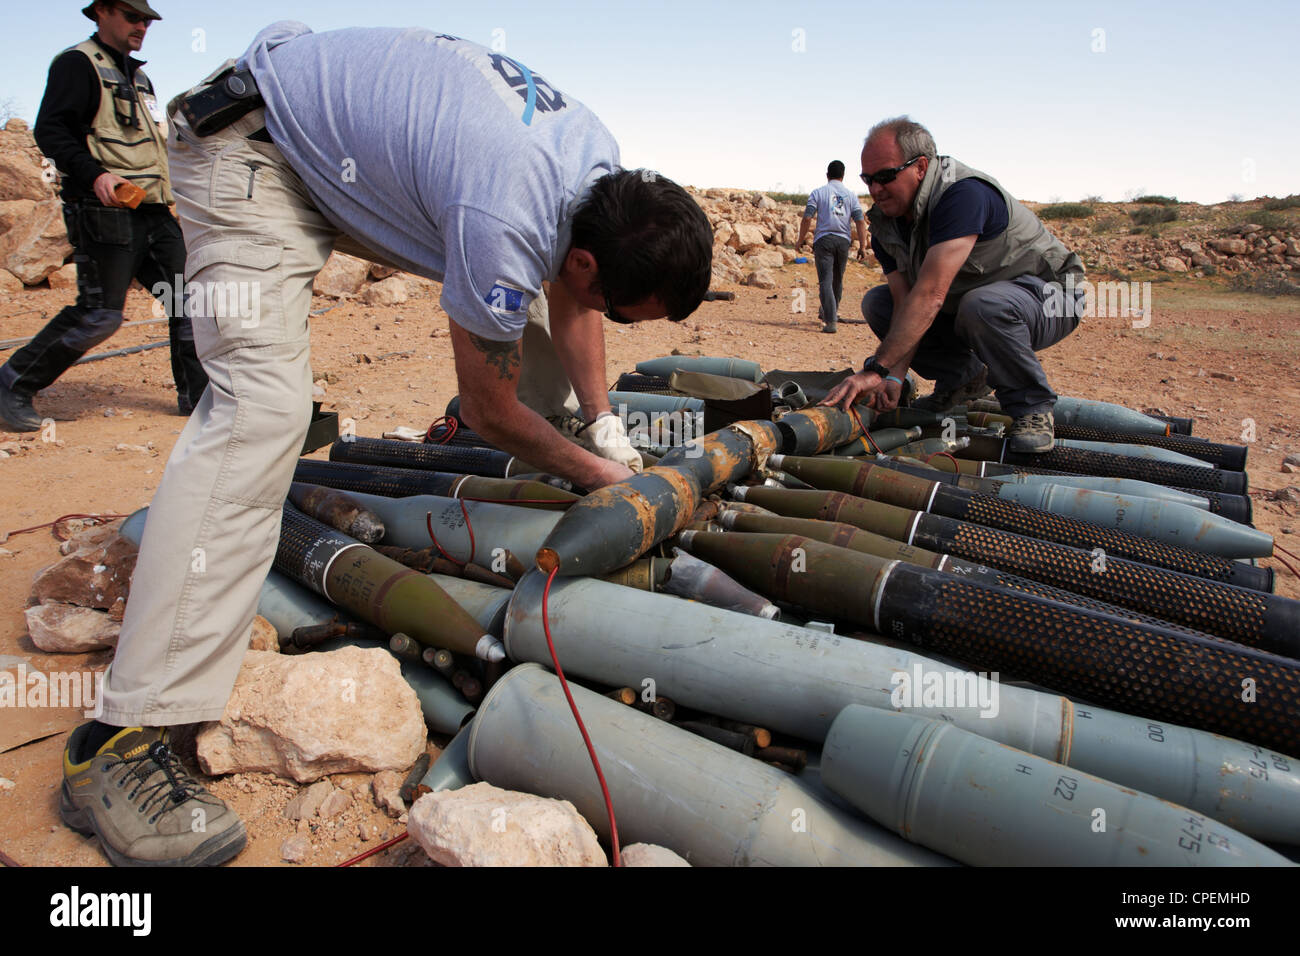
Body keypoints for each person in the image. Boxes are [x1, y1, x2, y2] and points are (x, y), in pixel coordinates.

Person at [56, 22, 712, 867]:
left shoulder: (599, 171)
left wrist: (605, 423)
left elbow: (577, 306)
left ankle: (521, 474)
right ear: (586, 257)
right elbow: (490, 404)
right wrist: (597, 475)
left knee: (537, 340)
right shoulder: (503, 213)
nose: (613, 322)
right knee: (261, 415)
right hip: (253, 154)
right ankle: (119, 738)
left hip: (336, 151)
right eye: (628, 312)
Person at [0, 0, 207, 433]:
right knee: (101, 314)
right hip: (103, 211)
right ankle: (11, 384)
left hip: (151, 209)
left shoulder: (139, 75)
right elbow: (51, 130)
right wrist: (95, 175)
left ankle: (198, 399)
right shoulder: (78, 65)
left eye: (147, 20)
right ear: (103, 12)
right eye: (133, 17)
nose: (142, 26)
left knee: (188, 301)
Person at [823, 116, 1084, 452]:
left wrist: (875, 368)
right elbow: (906, 305)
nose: (875, 189)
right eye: (868, 179)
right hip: (976, 303)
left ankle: (1032, 407)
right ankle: (963, 379)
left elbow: (931, 294)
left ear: (920, 167)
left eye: (885, 177)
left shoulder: (961, 194)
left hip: (1052, 296)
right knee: (880, 304)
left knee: (984, 306)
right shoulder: (887, 224)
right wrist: (892, 377)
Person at [795, 160, 867, 334]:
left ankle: (831, 320)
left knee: (825, 281)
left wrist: (800, 240)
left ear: (827, 175)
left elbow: (807, 218)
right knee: (838, 279)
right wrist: (862, 246)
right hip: (843, 241)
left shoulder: (818, 193)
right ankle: (829, 311)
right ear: (843, 176)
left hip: (824, 240)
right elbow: (860, 220)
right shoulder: (851, 195)